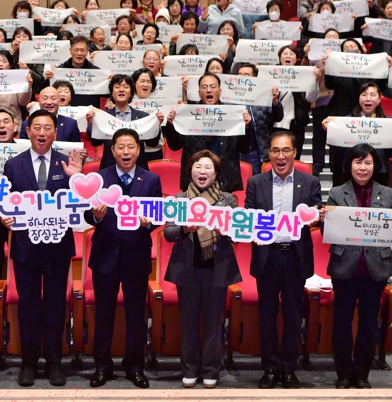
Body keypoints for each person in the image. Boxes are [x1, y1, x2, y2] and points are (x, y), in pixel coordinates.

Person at [0, 110, 83, 387]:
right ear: (27, 131)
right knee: (28, 306)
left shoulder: (67, 164)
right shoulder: (14, 165)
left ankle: (54, 362)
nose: (42, 132)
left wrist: (76, 180)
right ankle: (28, 362)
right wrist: (4, 216)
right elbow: (4, 202)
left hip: (58, 248)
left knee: (56, 306)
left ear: (55, 133)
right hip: (26, 248)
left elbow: (81, 205)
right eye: (37, 127)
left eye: (48, 127)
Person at [84, 129, 161, 389]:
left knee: (136, 314)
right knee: (104, 313)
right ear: (112, 150)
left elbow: (157, 216)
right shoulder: (99, 178)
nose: (126, 152)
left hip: (136, 255)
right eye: (121, 147)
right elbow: (87, 215)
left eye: (131, 147)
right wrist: (96, 216)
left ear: (139, 150)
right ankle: (102, 366)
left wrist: (149, 223)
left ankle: (134, 366)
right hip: (105, 254)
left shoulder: (151, 179)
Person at [246, 130, 323, 389]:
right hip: (267, 256)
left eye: (286, 150)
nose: (281, 156)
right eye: (276, 151)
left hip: (295, 257)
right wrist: (252, 232)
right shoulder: (256, 182)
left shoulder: (310, 182)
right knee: (266, 315)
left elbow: (315, 215)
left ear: (295, 153)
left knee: (292, 315)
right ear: (268, 154)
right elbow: (248, 216)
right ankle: (269, 368)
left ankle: (289, 368)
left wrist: (315, 219)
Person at [164, 149, 241, 389]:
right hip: (187, 268)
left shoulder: (227, 200)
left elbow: (237, 233)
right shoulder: (179, 199)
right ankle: (189, 368)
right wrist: (184, 229)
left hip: (217, 268)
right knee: (188, 323)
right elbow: (168, 232)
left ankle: (210, 370)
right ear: (190, 172)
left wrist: (224, 230)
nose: (202, 171)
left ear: (216, 173)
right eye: (198, 167)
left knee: (213, 323)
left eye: (208, 167)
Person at [326, 143, 392, 389]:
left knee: (369, 323)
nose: (362, 168)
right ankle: (343, 373)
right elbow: (330, 231)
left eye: (368, 162)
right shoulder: (336, 193)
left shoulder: (388, 194)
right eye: (358, 162)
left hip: (376, 268)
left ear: (375, 166)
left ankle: (362, 373)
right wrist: (325, 219)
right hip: (345, 267)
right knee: (342, 322)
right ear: (349, 165)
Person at [164, 73, 252, 193]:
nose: (209, 90)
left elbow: (244, 148)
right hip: (194, 182)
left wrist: (246, 127)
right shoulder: (188, 113)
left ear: (220, 91)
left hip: (224, 182)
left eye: (213, 86)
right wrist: (171, 125)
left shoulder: (233, 114)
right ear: (199, 92)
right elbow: (175, 146)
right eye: (204, 87)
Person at [86, 74, 163, 170]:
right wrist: (91, 124)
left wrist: (156, 126)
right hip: (110, 168)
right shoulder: (103, 116)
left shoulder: (144, 117)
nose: (121, 90)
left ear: (131, 93)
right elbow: (96, 142)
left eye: (126, 87)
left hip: (138, 168)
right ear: (112, 93)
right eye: (117, 87)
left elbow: (152, 144)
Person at [323, 82, 390, 187]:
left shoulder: (387, 124)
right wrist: (331, 132)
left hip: (379, 171)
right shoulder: (345, 122)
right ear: (359, 98)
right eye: (364, 95)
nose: (368, 98)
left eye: (372, 95)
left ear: (379, 100)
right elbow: (337, 151)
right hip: (351, 171)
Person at [271, 45, 319, 161]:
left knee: (295, 158)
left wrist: (315, 81)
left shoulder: (302, 74)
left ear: (296, 58)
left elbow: (311, 98)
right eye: (285, 53)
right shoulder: (271, 74)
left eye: (291, 54)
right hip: (275, 124)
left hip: (296, 124)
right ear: (279, 57)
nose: (288, 56)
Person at [236, 64, 283, 174]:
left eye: (246, 75)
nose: (242, 78)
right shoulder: (228, 98)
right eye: (239, 75)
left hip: (256, 149)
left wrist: (275, 101)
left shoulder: (264, 96)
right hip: (234, 149)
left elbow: (278, 117)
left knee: (255, 180)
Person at [58, 36, 101, 108]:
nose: (79, 53)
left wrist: (109, 82)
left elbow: (105, 94)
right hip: (65, 111)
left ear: (87, 51)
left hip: (89, 111)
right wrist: (48, 79)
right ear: (70, 50)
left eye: (82, 50)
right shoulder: (59, 71)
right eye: (76, 50)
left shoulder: (97, 72)